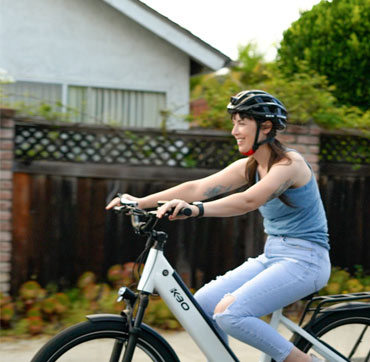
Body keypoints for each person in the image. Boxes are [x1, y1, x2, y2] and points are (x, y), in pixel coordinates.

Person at [106, 90, 330, 362]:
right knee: (203, 305)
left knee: (230, 313)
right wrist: (140, 202)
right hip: (273, 255)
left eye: (242, 123)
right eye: (233, 123)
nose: (234, 131)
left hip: (306, 261)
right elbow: (197, 187)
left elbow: (248, 200)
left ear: (266, 127)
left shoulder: (289, 165)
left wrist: (196, 210)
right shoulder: (251, 166)